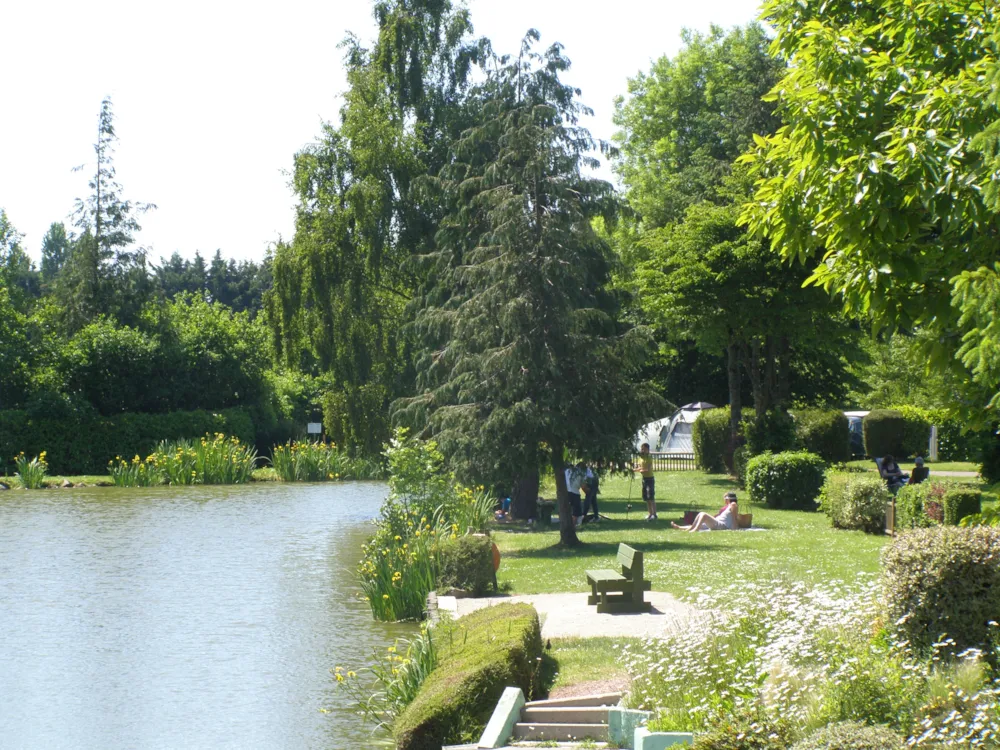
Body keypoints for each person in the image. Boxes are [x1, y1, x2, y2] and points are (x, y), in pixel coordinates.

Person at [672, 493, 738, 532]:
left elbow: (734, 517)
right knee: (700, 516)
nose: (725, 500)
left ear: (729, 499)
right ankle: (680, 527)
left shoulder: (733, 504)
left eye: (726, 499)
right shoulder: (728, 506)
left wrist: (734, 528)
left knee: (703, 514)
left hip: (721, 525)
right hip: (718, 522)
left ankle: (695, 529)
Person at [634, 443, 656, 521]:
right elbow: (640, 467)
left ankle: (654, 514)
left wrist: (640, 470)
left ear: (648, 449)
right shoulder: (640, 458)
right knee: (646, 497)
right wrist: (634, 470)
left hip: (650, 479)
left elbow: (648, 469)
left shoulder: (649, 458)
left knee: (651, 497)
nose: (642, 450)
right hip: (644, 479)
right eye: (642, 449)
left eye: (644, 449)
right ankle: (650, 513)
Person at [565, 462, 586, 527]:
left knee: (567, 509)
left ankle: (566, 523)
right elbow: (583, 486)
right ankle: (573, 526)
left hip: (567, 492)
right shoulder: (581, 473)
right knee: (576, 511)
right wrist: (588, 492)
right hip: (575, 493)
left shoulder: (567, 471)